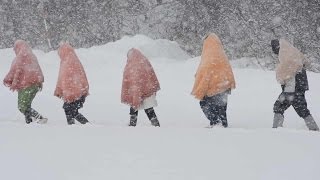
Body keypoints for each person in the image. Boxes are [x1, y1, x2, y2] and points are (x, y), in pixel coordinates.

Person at [271, 39, 319, 131]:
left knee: (298, 108)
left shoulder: (287, 56)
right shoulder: (291, 53)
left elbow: (289, 73)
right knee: (281, 106)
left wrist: (287, 88)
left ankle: (314, 130)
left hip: (292, 88)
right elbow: (305, 63)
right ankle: (276, 129)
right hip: (297, 86)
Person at [191, 33, 236, 128]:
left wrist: (201, 89)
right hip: (224, 85)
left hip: (212, 87)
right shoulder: (221, 54)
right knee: (222, 106)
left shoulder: (208, 55)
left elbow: (204, 72)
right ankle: (223, 123)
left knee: (205, 103)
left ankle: (215, 122)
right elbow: (228, 70)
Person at [3, 40, 47, 124]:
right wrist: (39, 81)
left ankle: (40, 118)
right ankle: (29, 122)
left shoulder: (21, 56)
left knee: (22, 106)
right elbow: (38, 70)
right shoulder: (32, 56)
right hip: (35, 85)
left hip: (26, 85)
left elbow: (16, 71)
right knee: (27, 105)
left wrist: (9, 81)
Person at [121, 48, 160, 127]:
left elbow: (128, 79)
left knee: (134, 105)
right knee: (148, 108)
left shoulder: (130, 65)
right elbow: (151, 75)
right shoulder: (144, 61)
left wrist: (135, 91)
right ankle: (155, 124)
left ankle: (132, 124)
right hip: (147, 90)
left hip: (136, 90)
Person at [54, 42, 89, 125]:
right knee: (71, 110)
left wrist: (69, 94)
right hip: (79, 91)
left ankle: (82, 124)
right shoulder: (71, 60)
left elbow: (69, 80)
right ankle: (78, 125)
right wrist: (59, 90)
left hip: (76, 93)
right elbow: (62, 79)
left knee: (69, 109)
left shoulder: (69, 62)